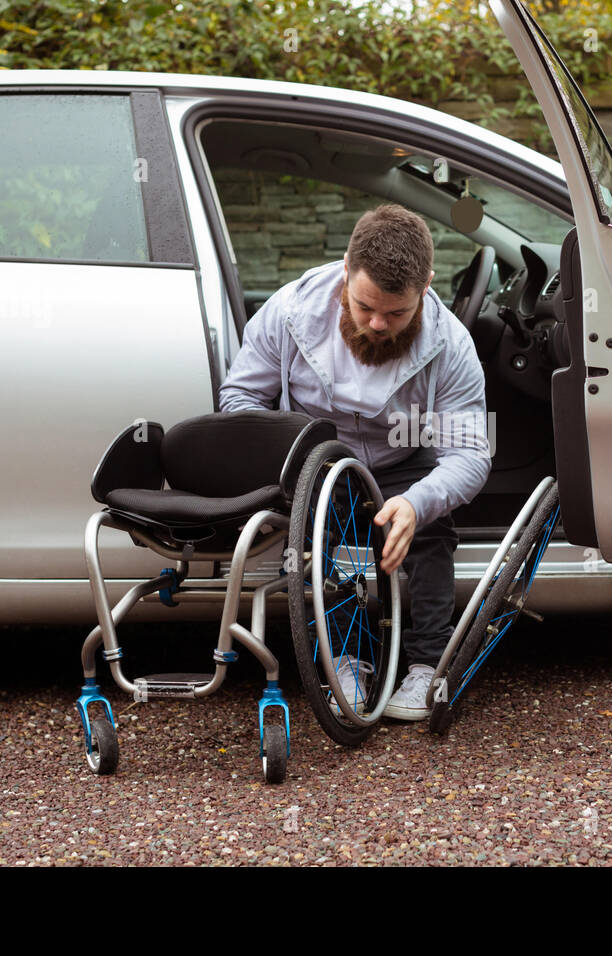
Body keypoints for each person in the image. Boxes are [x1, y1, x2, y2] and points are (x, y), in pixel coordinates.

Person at [218, 203, 491, 720]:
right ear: (346, 270)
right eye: (365, 305)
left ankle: (427, 666)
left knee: (431, 534)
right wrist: (287, 465)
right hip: (319, 459)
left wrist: (416, 503)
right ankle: (347, 661)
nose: (376, 323)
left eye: (397, 313)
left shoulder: (453, 343)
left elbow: (471, 452)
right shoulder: (289, 312)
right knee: (336, 545)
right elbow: (239, 401)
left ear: (426, 287)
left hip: (405, 458)